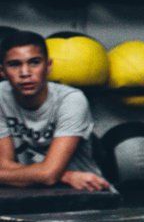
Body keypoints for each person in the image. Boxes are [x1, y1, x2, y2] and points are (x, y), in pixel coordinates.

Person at [0, 30, 111, 191]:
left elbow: (49, 175)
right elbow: (4, 165)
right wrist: (65, 176)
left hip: (85, 191)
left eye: (34, 62)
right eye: (14, 64)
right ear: (2, 71)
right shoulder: (1, 97)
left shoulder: (71, 100)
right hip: (28, 191)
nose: (25, 73)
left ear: (48, 66)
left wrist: (51, 174)